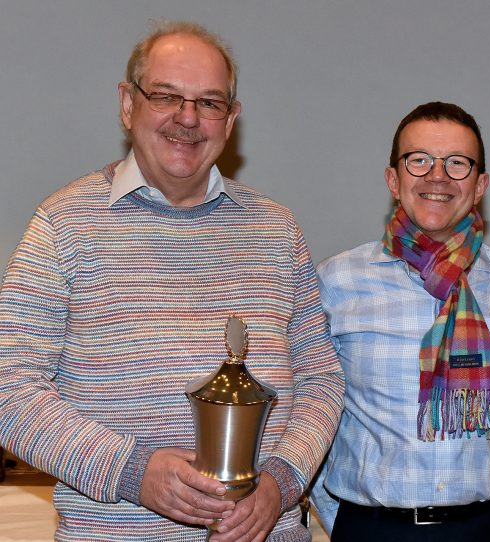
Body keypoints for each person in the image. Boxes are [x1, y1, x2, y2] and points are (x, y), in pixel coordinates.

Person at [0, 20, 344, 542]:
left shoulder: (277, 230)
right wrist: (133, 471)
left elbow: (322, 381)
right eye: (166, 96)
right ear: (127, 104)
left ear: (230, 121)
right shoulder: (63, 225)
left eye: (209, 103)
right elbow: (9, 389)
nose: (188, 118)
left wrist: (281, 481)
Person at [309, 102, 490, 542]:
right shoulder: (336, 281)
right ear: (393, 180)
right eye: (419, 160)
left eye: (458, 163)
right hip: (372, 530)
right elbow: (315, 410)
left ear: (480, 186)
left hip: (487, 528)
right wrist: (343, 519)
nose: (438, 176)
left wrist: (489, 511)